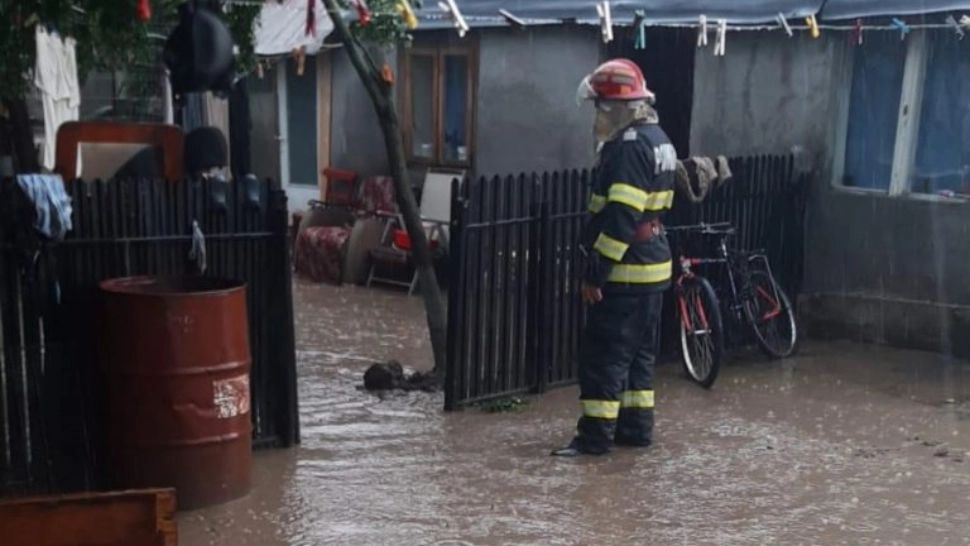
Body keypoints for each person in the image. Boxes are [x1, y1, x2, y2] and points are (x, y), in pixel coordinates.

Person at [553, 59, 677, 457]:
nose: (597, 117)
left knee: (603, 358)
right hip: (652, 267)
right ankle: (635, 430)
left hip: (627, 272)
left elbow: (622, 218)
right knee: (638, 358)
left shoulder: (628, 148)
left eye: (600, 107)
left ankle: (594, 439)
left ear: (616, 107)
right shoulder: (658, 138)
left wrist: (596, 274)